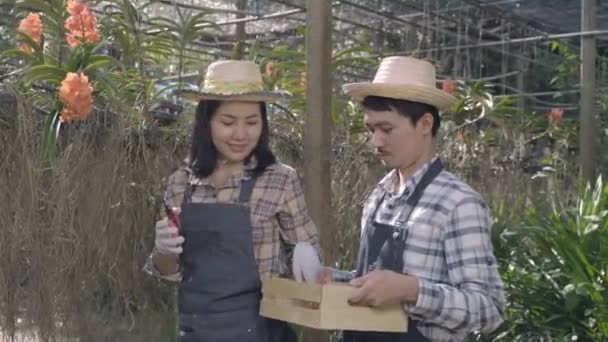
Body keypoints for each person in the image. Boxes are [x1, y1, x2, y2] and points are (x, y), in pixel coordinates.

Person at [322, 56, 505, 341]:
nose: (376, 141)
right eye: (371, 130)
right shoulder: (379, 197)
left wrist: (412, 291)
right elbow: (371, 280)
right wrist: (334, 279)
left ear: (425, 124)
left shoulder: (458, 203)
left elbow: (489, 309)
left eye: (387, 129)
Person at [144, 60, 323, 342]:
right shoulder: (181, 183)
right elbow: (168, 271)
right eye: (228, 122)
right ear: (207, 123)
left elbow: (311, 264)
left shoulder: (279, 180)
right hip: (196, 333)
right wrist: (162, 248)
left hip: (261, 332)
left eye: (252, 122)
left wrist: (305, 253)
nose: (241, 134)